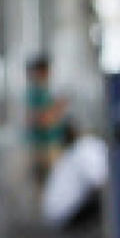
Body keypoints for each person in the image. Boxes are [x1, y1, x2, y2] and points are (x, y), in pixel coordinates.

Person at [24, 55, 69, 187]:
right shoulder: (34, 92)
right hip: (43, 148)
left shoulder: (44, 91)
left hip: (51, 144)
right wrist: (57, 109)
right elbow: (39, 120)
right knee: (49, 185)